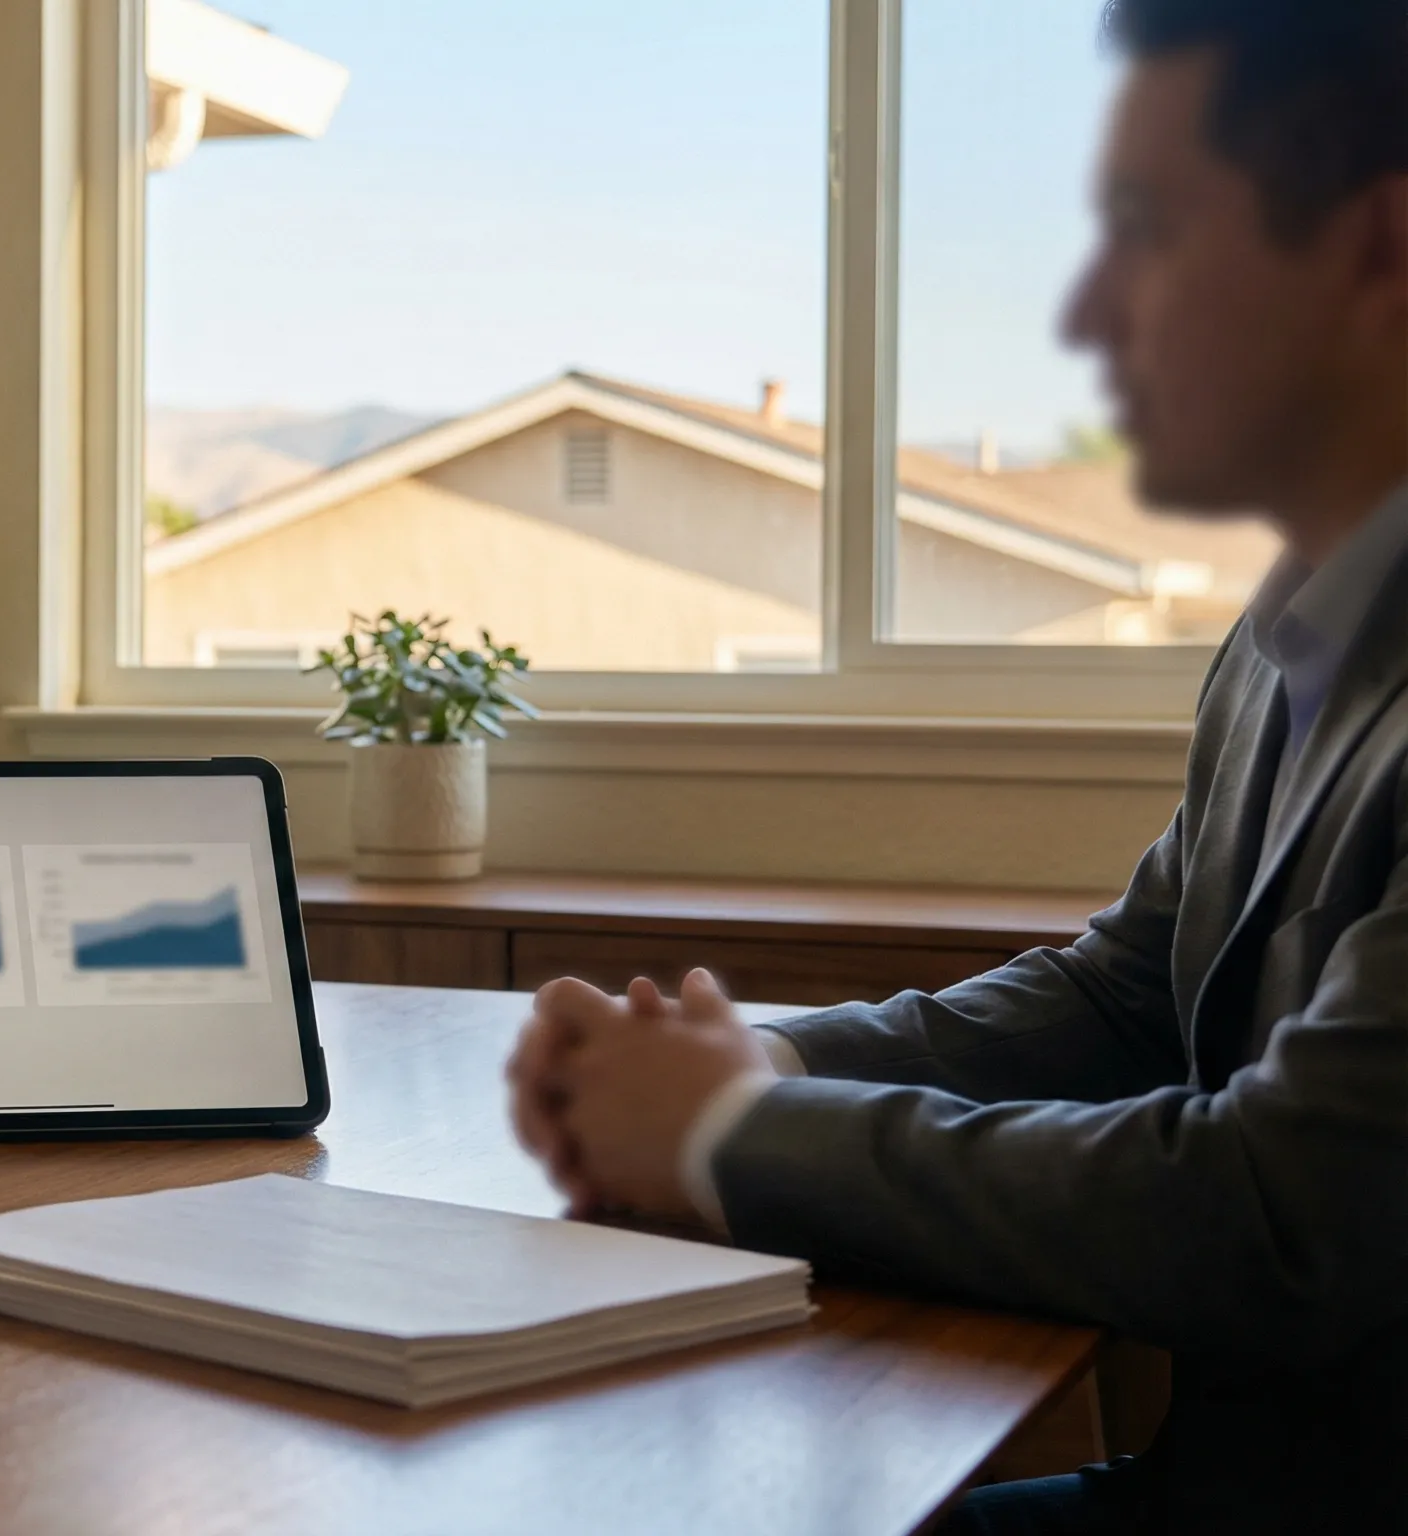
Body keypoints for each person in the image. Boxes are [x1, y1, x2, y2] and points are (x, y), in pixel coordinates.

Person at [510, 2, 1408, 1532]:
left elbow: (1278, 1216)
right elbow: (1130, 993)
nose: (1088, 313)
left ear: (1374, 255)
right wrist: (769, 1063)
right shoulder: (1292, 631)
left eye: (1149, 228)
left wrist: (727, 1135)